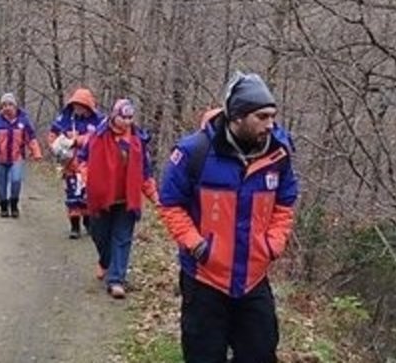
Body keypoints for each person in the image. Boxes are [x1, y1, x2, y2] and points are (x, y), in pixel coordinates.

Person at [158, 72, 299, 362]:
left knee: (261, 354)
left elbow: (285, 203)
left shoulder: (279, 154)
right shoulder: (193, 152)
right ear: (237, 116)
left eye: (272, 116)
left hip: (253, 278)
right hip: (204, 279)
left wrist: (273, 243)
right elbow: (170, 204)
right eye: (261, 116)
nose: (270, 124)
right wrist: (197, 245)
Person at [80, 98, 159, 299]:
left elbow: (145, 172)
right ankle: (106, 261)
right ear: (114, 116)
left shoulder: (138, 140)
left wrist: (154, 197)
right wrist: (87, 181)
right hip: (101, 197)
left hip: (127, 199)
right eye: (123, 117)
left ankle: (116, 279)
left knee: (122, 238)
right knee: (99, 234)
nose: (127, 122)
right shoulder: (98, 135)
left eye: (130, 118)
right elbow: (83, 159)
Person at [46, 87, 104, 239]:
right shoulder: (65, 119)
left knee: (87, 196)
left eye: (81, 105)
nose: (78, 108)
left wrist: (78, 141)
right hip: (70, 165)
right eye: (76, 105)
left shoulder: (98, 121)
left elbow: (102, 139)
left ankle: (88, 222)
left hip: (90, 167)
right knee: (72, 196)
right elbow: (52, 135)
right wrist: (56, 147)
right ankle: (75, 226)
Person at [0, 92, 43, 218]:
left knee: (16, 180)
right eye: (4, 105)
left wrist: (36, 153)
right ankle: (3, 206)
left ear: (15, 106)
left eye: (10, 104)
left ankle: (14, 204)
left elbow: (31, 138)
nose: (7, 107)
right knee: (1, 183)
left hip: (17, 157)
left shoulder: (23, 120)